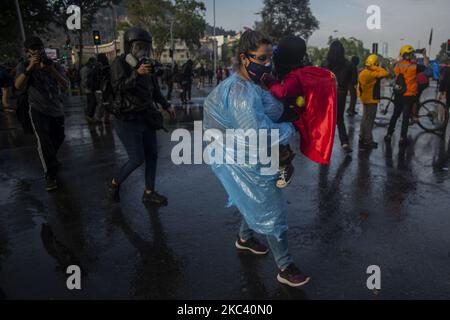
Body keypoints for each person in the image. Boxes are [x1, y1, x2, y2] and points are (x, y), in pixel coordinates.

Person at [203, 30, 310, 288]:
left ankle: (244, 237)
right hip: (240, 153)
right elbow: (258, 134)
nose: (267, 64)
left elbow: (270, 111)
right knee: (270, 206)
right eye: (261, 59)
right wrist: (290, 128)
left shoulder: (253, 84)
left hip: (245, 148)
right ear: (244, 58)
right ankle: (285, 266)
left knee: (249, 197)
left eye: (269, 57)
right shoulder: (240, 94)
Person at [105, 27, 176, 205]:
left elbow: (154, 90)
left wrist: (166, 105)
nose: (142, 50)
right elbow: (118, 87)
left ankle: (149, 192)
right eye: (138, 46)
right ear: (129, 47)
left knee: (152, 154)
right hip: (126, 119)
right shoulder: (119, 64)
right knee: (137, 158)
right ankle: (114, 184)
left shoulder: (146, 64)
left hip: (146, 117)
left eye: (145, 46)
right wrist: (136, 74)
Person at [263, 35, 337, 188]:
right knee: (272, 136)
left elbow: (282, 91)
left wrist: (268, 80)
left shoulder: (295, 77)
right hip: (290, 110)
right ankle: (280, 162)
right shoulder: (301, 71)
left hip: (291, 114)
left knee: (274, 134)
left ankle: (284, 165)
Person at [14, 36, 69, 191]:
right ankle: (50, 176)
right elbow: (17, 85)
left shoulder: (53, 65)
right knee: (44, 142)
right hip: (38, 109)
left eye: (39, 47)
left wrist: (50, 69)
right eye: (33, 49)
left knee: (59, 137)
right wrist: (30, 67)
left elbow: (65, 85)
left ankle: (51, 159)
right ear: (27, 52)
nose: (37, 51)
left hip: (56, 109)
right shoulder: (24, 65)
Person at [385, 46, 429, 146]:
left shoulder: (397, 65)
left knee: (395, 115)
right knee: (405, 117)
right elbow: (426, 65)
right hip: (409, 95)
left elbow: (395, 70)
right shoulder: (414, 66)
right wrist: (424, 54)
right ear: (410, 55)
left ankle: (388, 135)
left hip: (399, 93)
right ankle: (402, 138)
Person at [323, 40, 353, 153]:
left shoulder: (325, 63)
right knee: (339, 119)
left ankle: (325, 143)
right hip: (341, 93)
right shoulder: (348, 64)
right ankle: (344, 142)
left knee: (327, 119)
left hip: (328, 94)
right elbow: (351, 80)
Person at [357, 54, 389, 150]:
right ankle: (368, 140)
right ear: (374, 64)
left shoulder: (363, 72)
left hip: (364, 99)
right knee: (370, 121)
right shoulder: (373, 74)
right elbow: (385, 73)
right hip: (371, 99)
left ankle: (362, 136)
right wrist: (376, 67)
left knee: (365, 119)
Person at [93, 53, 111, 124]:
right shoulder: (105, 67)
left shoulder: (96, 67)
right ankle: (102, 118)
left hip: (99, 88)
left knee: (101, 104)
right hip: (104, 88)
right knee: (104, 104)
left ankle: (99, 118)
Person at [80, 57, 99, 123]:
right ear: (91, 62)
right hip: (87, 88)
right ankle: (89, 115)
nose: (96, 63)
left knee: (90, 101)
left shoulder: (86, 68)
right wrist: (87, 87)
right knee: (93, 101)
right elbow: (85, 79)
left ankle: (90, 116)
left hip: (87, 87)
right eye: (95, 61)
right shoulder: (87, 69)